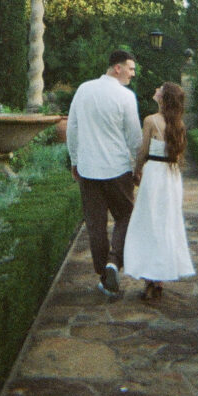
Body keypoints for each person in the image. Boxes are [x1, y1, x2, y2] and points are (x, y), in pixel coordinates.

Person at [66, 49, 142, 299]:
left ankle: (104, 275)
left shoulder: (84, 89)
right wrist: (137, 166)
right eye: (130, 68)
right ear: (117, 68)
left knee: (95, 224)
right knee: (127, 215)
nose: (133, 73)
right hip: (118, 169)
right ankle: (113, 263)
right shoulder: (126, 96)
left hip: (88, 169)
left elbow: (72, 128)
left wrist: (75, 160)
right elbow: (134, 138)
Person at [123, 81, 195, 301]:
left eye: (159, 89)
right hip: (171, 176)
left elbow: (143, 150)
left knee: (149, 223)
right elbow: (178, 155)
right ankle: (160, 278)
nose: (155, 90)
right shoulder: (179, 124)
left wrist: (137, 171)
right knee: (167, 223)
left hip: (154, 174)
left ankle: (150, 279)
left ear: (164, 97)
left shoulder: (151, 120)